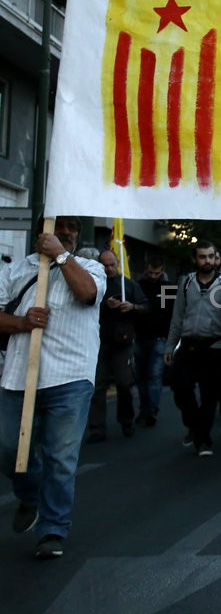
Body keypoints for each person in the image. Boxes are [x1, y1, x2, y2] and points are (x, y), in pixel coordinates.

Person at [0, 216, 106, 559]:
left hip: (71, 377)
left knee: (61, 457)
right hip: (18, 375)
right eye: (58, 226)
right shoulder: (16, 269)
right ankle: (30, 492)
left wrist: (61, 255)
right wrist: (21, 322)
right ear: (40, 231)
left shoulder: (90, 266)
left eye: (72, 228)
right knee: (6, 446)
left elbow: (88, 294)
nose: (66, 232)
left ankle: (53, 528)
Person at [164, 240, 221, 456]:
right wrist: (169, 346)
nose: (207, 261)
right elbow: (177, 317)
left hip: (215, 345)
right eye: (202, 257)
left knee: (209, 395)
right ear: (195, 259)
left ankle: (203, 439)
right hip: (188, 344)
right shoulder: (186, 282)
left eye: (210, 256)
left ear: (216, 257)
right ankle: (194, 425)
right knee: (180, 388)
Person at [86, 250, 148, 442]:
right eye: (105, 265)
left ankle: (126, 420)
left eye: (112, 264)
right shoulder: (95, 284)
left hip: (122, 342)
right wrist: (106, 305)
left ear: (118, 263)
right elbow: (86, 304)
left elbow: (146, 306)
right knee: (97, 386)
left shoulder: (129, 285)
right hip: (100, 341)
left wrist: (132, 307)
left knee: (123, 384)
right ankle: (97, 428)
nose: (109, 268)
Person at [134, 256, 173, 426]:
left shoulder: (166, 288)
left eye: (157, 273)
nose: (153, 275)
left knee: (153, 375)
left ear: (162, 271)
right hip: (140, 335)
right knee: (142, 376)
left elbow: (170, 314)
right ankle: (145, 409)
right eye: (151, 272)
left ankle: (152, 410)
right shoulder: (139, 286)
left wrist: (168, 337)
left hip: (158, 337)